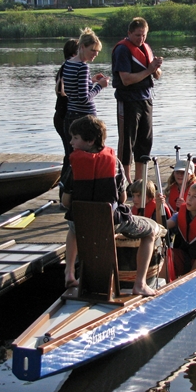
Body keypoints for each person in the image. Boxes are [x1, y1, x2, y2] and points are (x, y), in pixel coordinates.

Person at [61, 115, 162, 296]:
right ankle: (140, 284)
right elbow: (122, 198)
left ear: (89, 140)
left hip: (81, 223)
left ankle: (69, 272)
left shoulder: (73, 165)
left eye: (75, 138)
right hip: (110, 222)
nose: (71, 141)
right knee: (151, 230)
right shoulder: (114, 163)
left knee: (72, 228)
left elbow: (65, 202)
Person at [112, 17, 163, 185]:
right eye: (137, 35)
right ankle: (124, 181)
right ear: (129, 33)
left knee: (145, 140)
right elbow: (126, 79)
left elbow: (156, 75)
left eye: (144, 35)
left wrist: (155, 68)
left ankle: (139, 180)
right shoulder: (122, 50)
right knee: (127, 141)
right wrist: (149, 70)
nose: (141, 39)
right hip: (128, 100)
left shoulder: (145, 48)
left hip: (145, 98)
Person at [62, 28, 109, 174]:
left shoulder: (68, 63)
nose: (95, 54)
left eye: (97, 51)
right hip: (84, 119)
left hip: (71, 114)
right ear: (82, 47)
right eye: (93, 50)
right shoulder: (82, 67)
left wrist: (90, 80)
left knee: (72, 156)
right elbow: (84, 98)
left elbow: (72, 90)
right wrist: (99, 86)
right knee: (89, 156)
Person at [54, 38, 79, 196]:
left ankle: (66, 190)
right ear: (74, 53)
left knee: (70, 154)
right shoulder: (67, 68)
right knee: (70, 155)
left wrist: (89, 81)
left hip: (62, 116)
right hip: (64, 117)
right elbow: (63, 92)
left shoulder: (67, 68)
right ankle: (65, 191)